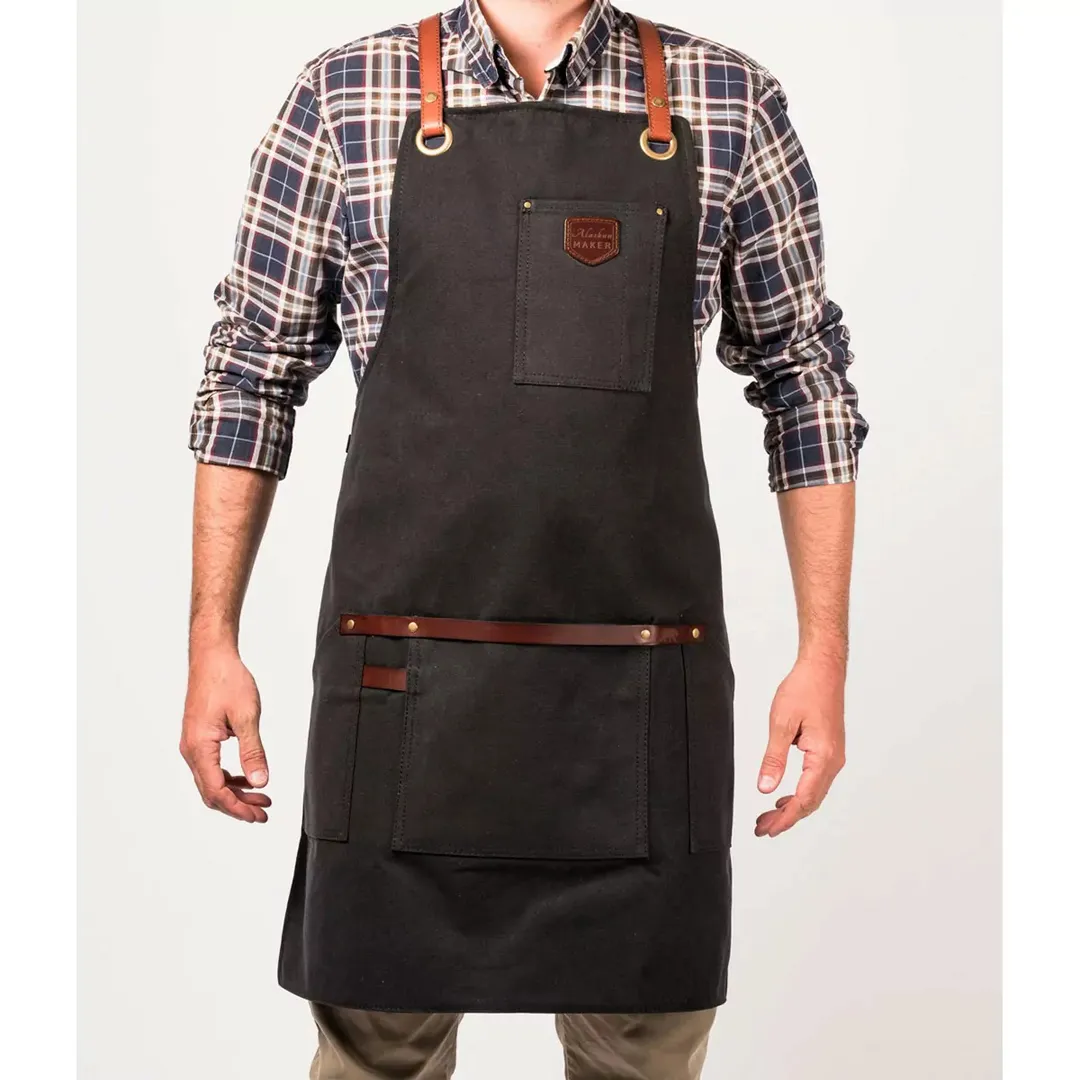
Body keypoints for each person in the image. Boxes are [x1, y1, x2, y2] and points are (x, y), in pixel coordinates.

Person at [180, 1, 868, 1076]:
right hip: (401, 681)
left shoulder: (730, 98)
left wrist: (823, 654)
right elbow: (248, 378)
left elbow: (807, 385)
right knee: (373, 1054)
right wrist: (210, 642)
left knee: (644, 1053)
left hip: (640, 691)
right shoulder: (342, 94)